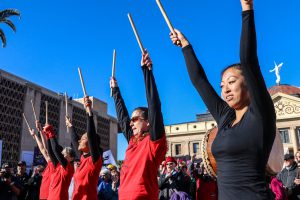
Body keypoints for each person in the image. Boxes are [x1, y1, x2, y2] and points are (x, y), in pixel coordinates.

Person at [170, 0, 276, 199]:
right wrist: (185, 46)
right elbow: (199, 81)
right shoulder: (225, 118)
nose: (225, 89)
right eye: (222, 86)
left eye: (232, 82)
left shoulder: (261, 115)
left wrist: (247, 10)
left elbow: (249, 60)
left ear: (250, 85)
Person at [110, 51, 167, 199]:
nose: (131, 122)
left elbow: (154, 105)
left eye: (135, 119)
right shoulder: (132, 141)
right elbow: (123, 118)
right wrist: (115, 91)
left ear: (148, 122)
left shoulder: (154, 142)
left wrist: (146, 72)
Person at [68, 97, 103, 200]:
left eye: (83, 139)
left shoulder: (95, 160)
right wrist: (70, 127)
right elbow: (75, 142)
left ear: (91, 143)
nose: (79, 141)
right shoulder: (82, 158)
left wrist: (89, 111)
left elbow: (91, 135)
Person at [42, 123, 75, 200]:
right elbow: (51, 152)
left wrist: (50, 132)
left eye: (66, 154)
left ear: (72, 158)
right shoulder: (57, 165)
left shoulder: (68, 168)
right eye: (63, 154)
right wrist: (47, 136)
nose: (63, 156)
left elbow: (56, 151)